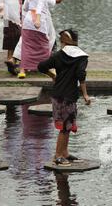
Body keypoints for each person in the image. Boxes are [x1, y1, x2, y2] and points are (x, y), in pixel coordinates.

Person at [38, 29, 91, 166]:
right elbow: (81, 75)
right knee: (65, 127)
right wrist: (85, 94)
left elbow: (41, 66)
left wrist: (53, 76)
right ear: (76, 41)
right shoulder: (81, 57)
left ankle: (65, 152)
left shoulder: (58, 55)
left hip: (57, 95)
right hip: (69, 96)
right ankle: (57, 156)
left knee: (66, 125)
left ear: (63, 41)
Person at [18, 0, 51, 79]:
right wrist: (38, 20)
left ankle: (22, 71)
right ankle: (47, 68)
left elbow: (25, 8)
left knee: (26, 46)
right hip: (39, 22)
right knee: (44, 45)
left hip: (28, 21)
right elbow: (40, 7)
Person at [0, 0, 23, 75]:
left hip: (14, 15)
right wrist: (0, 11)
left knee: (11, 36)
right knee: (14, 36)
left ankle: (11, 60)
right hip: (10, 15)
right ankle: (12, 60)